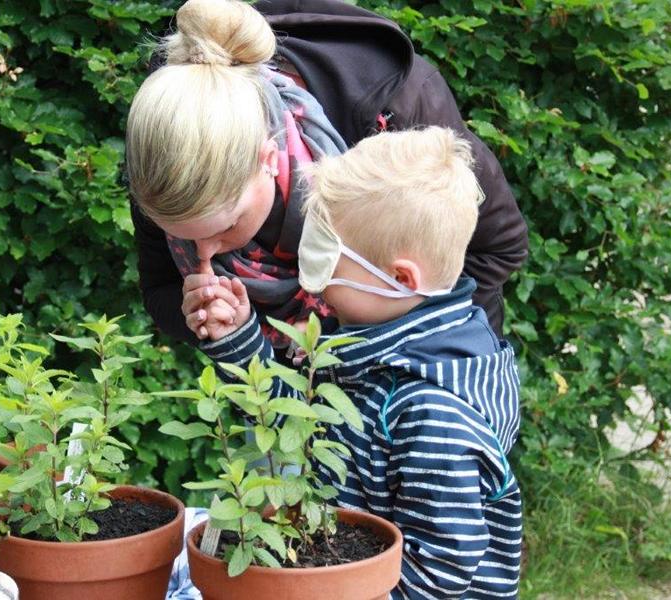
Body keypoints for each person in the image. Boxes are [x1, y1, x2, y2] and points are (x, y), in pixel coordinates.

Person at [194, 127, 522, 599]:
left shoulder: (433, 414)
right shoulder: (373, 349)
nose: (315, 280)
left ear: (400, 277)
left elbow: (440, 572)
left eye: (328, 258)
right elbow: (295, 428)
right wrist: (238, 338)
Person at [127, 0, 528, 355]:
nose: (204, 258)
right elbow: (161, 286)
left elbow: (498, 248)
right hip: (274, 385)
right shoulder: (167, 148)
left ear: (269, 158)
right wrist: (208, 321)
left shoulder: (393, 113)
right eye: (181, 236)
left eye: (227, 227)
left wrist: (357, 335)